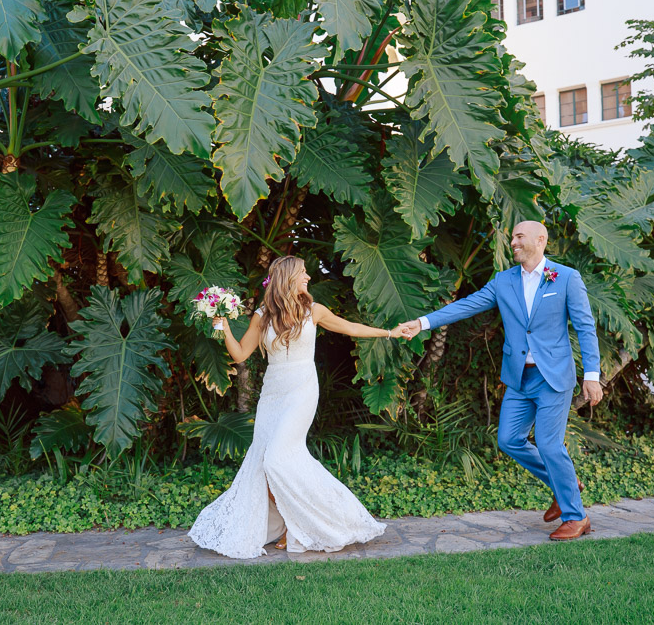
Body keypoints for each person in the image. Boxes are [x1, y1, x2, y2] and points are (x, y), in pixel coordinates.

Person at [396, 221, 603, 541]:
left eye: (520, 236)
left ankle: (576, 516)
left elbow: (586, 327)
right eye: (513, 237)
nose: (514, 242)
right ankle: (565, 485)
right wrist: (422, 323)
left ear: (541, 240)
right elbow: (466, 305)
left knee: (548, 444)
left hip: (553, 377)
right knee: (509, 440)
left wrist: (592, 376)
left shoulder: (565, 278)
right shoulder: (503, 281)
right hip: (520, 377)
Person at [188, 255, 404, 558]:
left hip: (302, 390)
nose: (308, 278)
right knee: (263, 464)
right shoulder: (263, 315)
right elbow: (239, 355)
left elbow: (350, 328)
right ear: (288, 278)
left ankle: (310, 522)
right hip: (273, 394)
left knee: (278, 458)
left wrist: (389, 332)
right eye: (303, 273)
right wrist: (223, 328)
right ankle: (291, 522)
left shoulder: (313, 311)